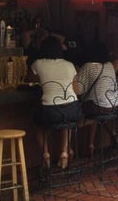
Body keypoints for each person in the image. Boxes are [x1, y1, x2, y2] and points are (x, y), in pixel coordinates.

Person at [32, 36, 81, 170]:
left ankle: (46, 153)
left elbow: (29, 79)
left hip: (50, 112)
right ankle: (64, 151)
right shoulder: (69, 65)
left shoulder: (38, 63)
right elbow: (76, 91)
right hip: (72, 109)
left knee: (39, 127)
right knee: (67, 122)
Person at [75, 42, 118, 158]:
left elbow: (78, 90)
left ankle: (82, 147)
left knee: (88, 109)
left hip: (97, 107)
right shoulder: (110, 65)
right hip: (114, 106)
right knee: (98, 112)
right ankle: (108, 136)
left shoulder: (88, 66)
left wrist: (75, 75)